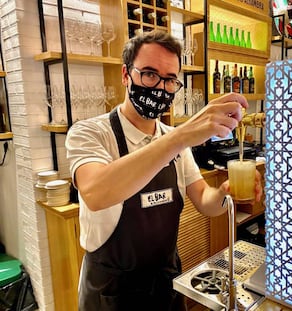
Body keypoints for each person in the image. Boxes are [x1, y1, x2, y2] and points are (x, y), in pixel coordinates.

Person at [65, 30, 262, 310]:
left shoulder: (175, 140)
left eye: (170, 80)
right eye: (149, 74)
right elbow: (95, 192)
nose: (160, 87)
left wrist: (225, 192)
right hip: (112, 293)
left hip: (166, 284)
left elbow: (206, 202)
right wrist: (181, 136)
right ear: (125, 75)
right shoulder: (90, 133)